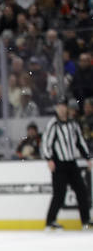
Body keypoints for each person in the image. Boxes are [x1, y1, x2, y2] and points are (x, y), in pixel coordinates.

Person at [41, 98, 92, 230]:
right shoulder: (53, 124)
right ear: (57, 108)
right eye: (59, 106)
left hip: (71, 163)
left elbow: (79, 142)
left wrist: (88, 157)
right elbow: (46, 143)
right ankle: (50, 221)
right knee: (59, 194)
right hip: (59, 164)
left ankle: (85, 220)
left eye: (64, 106)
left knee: (82, 191)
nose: (62, 109)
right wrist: (49, 159)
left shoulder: (73, 124)